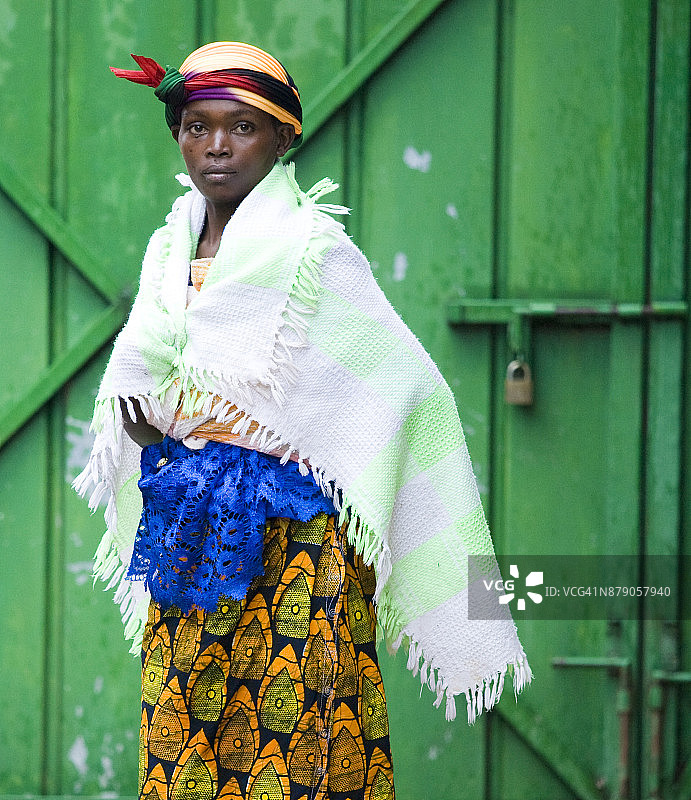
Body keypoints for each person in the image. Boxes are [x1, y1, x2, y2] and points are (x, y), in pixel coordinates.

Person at [75, 41, 530, 800]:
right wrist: (161, 436)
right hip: (192, 535)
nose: (214, 145)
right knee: (184, 732)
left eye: (241, 126)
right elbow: (148, 384)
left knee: (300, 746)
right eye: (195, 126)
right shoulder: (169, 251)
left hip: (300, 548)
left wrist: (266, 440)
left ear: (284, 137)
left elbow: (408, 393)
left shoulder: (315, 255)